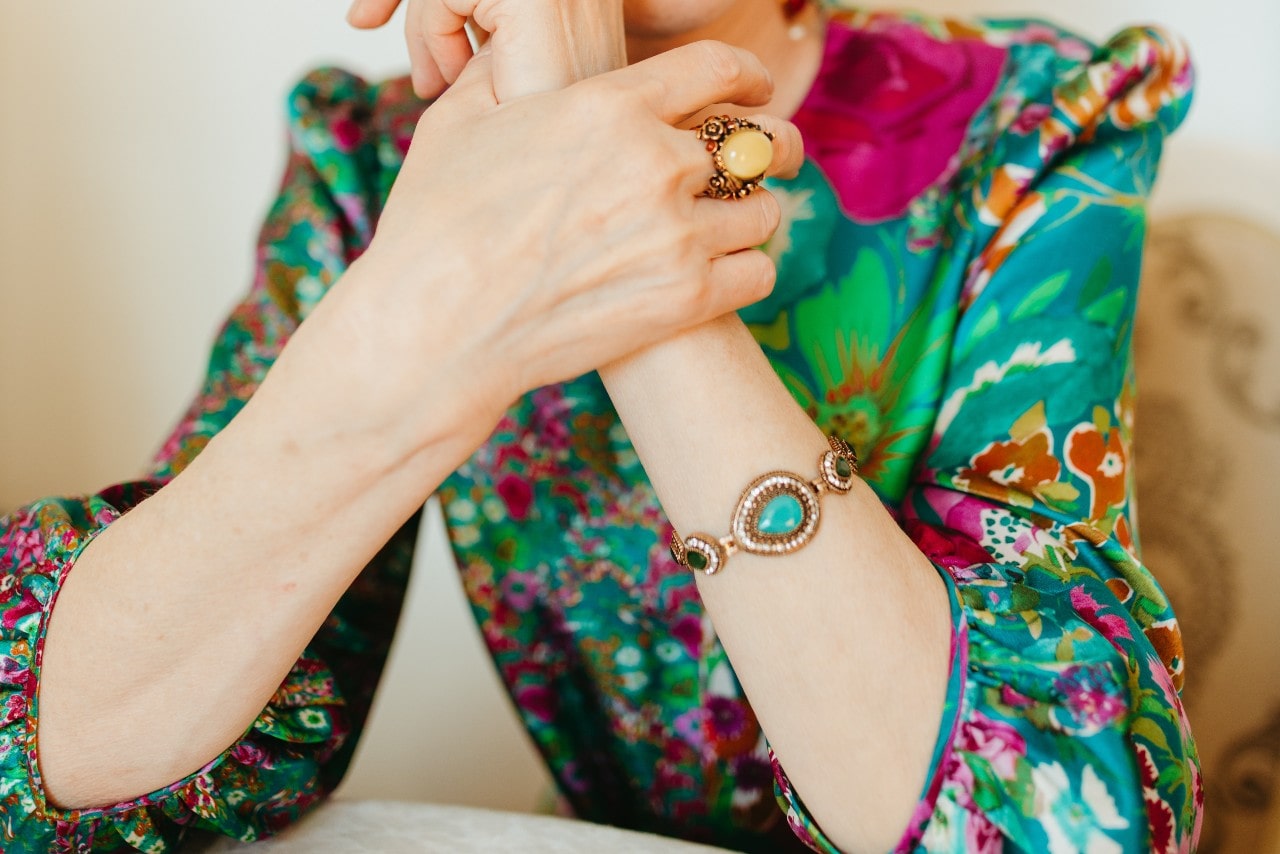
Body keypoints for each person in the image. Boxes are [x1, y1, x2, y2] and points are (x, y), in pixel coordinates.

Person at [0, 0, 1201, 850]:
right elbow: (56, 756)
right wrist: (432, 313)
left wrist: (598, 182)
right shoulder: (377, 158)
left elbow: (1059, 818)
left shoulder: (1031, 124)